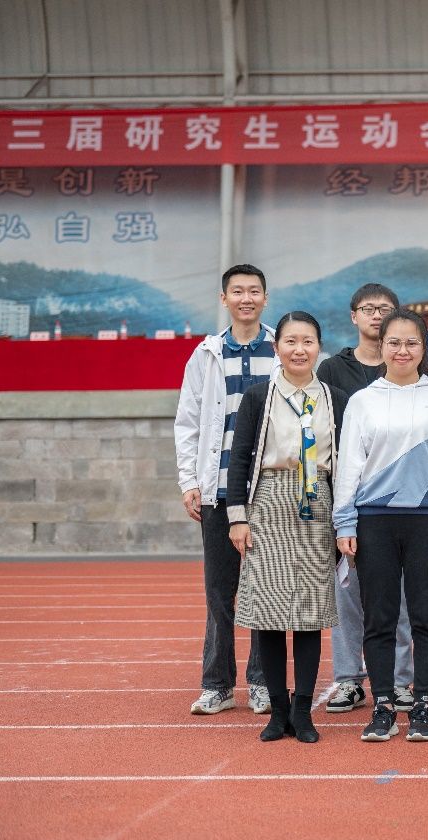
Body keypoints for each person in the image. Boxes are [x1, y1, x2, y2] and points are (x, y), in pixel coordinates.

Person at [334, 310, 428, 742]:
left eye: (412, 343)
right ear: (381, 346)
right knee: (380, 618)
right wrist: (345, 522)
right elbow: (349, 466)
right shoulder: (363, 401)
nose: (402, 350)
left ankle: (423, 705)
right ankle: (383, 705)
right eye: (394, 342)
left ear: (424, 348)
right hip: (375, 521)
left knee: (426, 617)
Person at [226, 312, 348, 743]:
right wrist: (238, 517)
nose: (299, 350)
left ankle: (303, 711)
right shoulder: (259, 396)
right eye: (291, 341)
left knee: (311, 613)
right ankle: (277, 712)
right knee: (270, 613)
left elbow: (347, 461)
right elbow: (239, 458)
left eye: (308, 341)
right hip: (269, 500)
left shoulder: (335, 398)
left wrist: (344, 520)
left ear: (319, 347)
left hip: (317, 501)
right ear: (276, 347)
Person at [175, 264, 278, 717]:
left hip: (268, 490)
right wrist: (189, 481)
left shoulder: (282, 349)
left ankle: (261, 682)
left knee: (264, 589)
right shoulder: (206, 354)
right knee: (220, 591)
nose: (246, 298)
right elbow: (188, 421)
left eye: (254, 291)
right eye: (237, 291)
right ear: (224, 299)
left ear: (265, 298)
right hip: (217, 488)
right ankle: (217, 685)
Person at [316, 283, 418, 715]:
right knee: (347, 593)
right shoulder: (332, 370)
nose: (377, 315)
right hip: (347, 497)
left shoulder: (409, 368)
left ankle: (400, 680)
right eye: (368, 308)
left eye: (385, 308)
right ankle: (347, 680)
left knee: (401, 598)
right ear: (353, 315)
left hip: (401, 502)